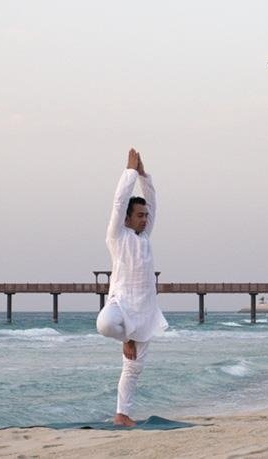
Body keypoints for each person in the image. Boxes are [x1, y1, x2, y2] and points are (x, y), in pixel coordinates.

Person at [96, 148, 168, 426]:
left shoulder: (145, 237)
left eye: (145, 215)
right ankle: (125, 337)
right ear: (127, 219)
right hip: (121, 306)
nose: (145, 218)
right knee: (104, 324)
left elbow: (153, 200)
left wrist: (143, 174)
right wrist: (128, 172)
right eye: (139, 215)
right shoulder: (117, 236)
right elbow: (118, 202)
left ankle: (122, 414)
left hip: (145, 311)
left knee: (133, 368)